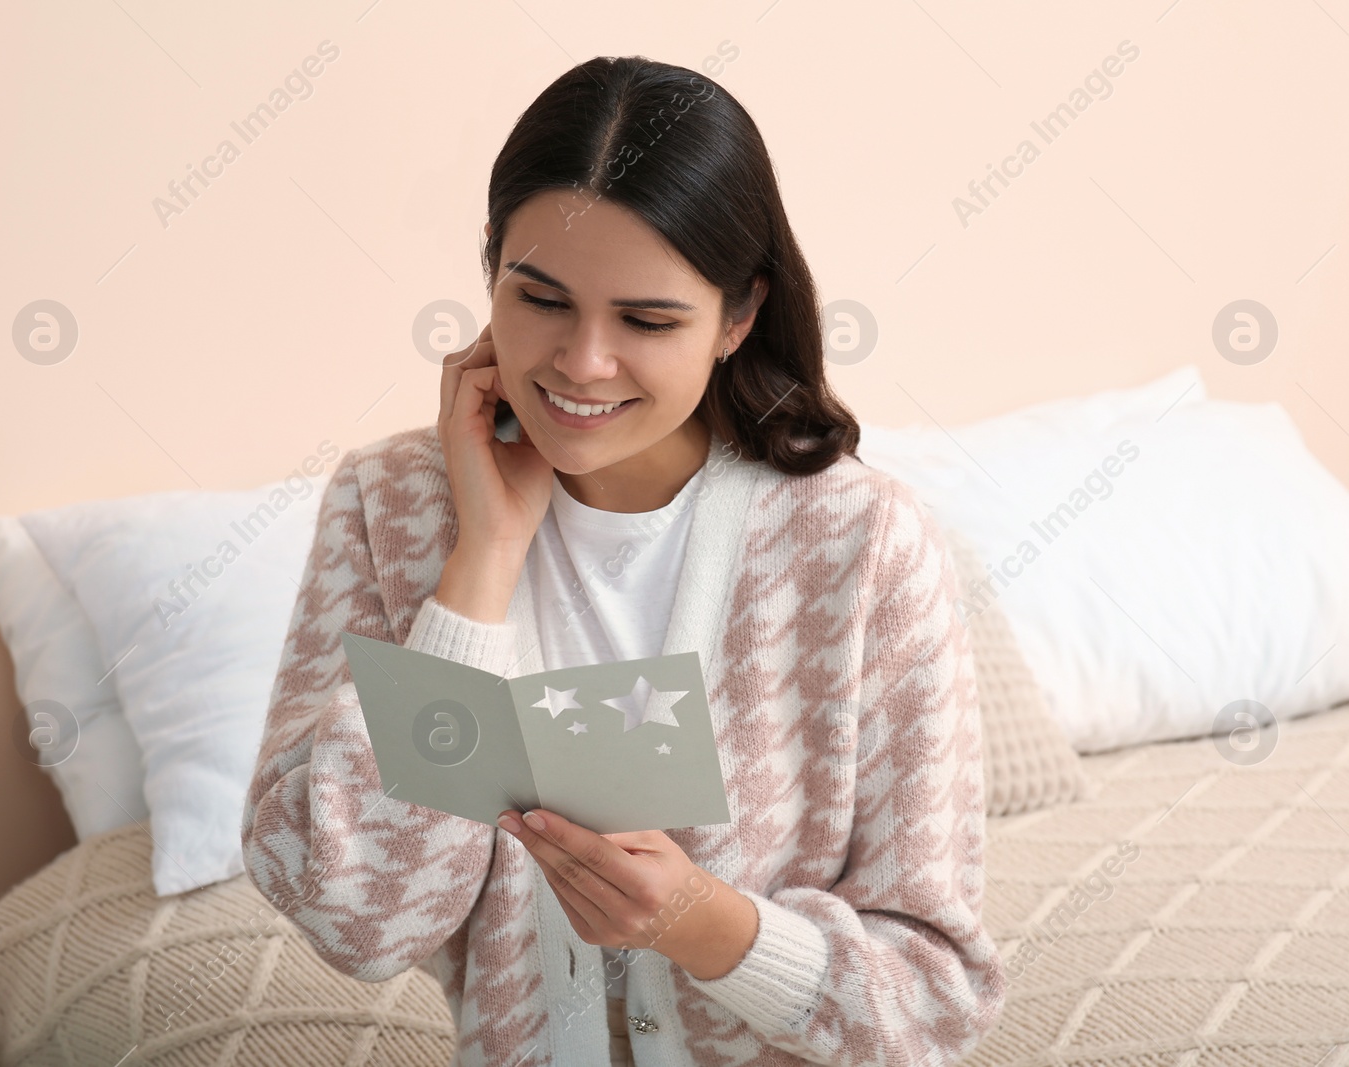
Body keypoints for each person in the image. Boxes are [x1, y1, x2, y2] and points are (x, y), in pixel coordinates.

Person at [241, 54, 1003, 1066]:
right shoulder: (392, 506)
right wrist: (481, 564)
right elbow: (361, 919)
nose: (581, 363)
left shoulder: (861, 544)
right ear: (489, 268)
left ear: (737, 316)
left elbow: (939, 1000)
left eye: (646, 320)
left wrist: (702, 921)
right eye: (541, 299)